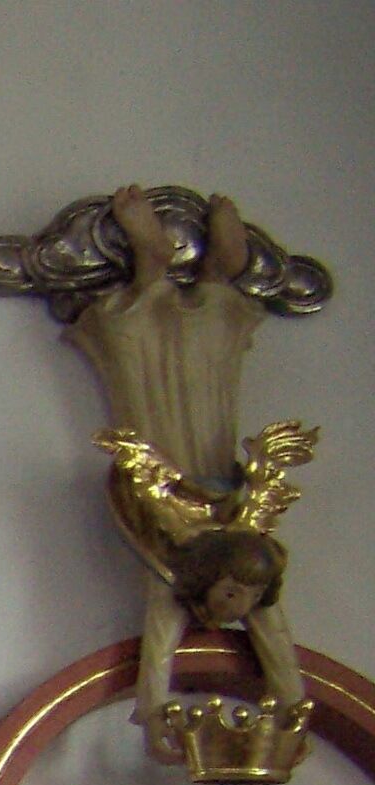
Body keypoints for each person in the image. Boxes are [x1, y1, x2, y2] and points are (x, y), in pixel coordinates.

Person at [68, 187, 308, 736]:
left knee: (166, 370)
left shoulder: (182, 572)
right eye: (233, 596)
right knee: (178, 373)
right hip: (193, 466)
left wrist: (293, 716)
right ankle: (193, 275)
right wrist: (290, 710)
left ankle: (194, 278)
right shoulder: (227, 564)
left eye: (238, 598)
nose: (234, 608)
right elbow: (270, 647)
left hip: (175, 464)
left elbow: (260, 642)